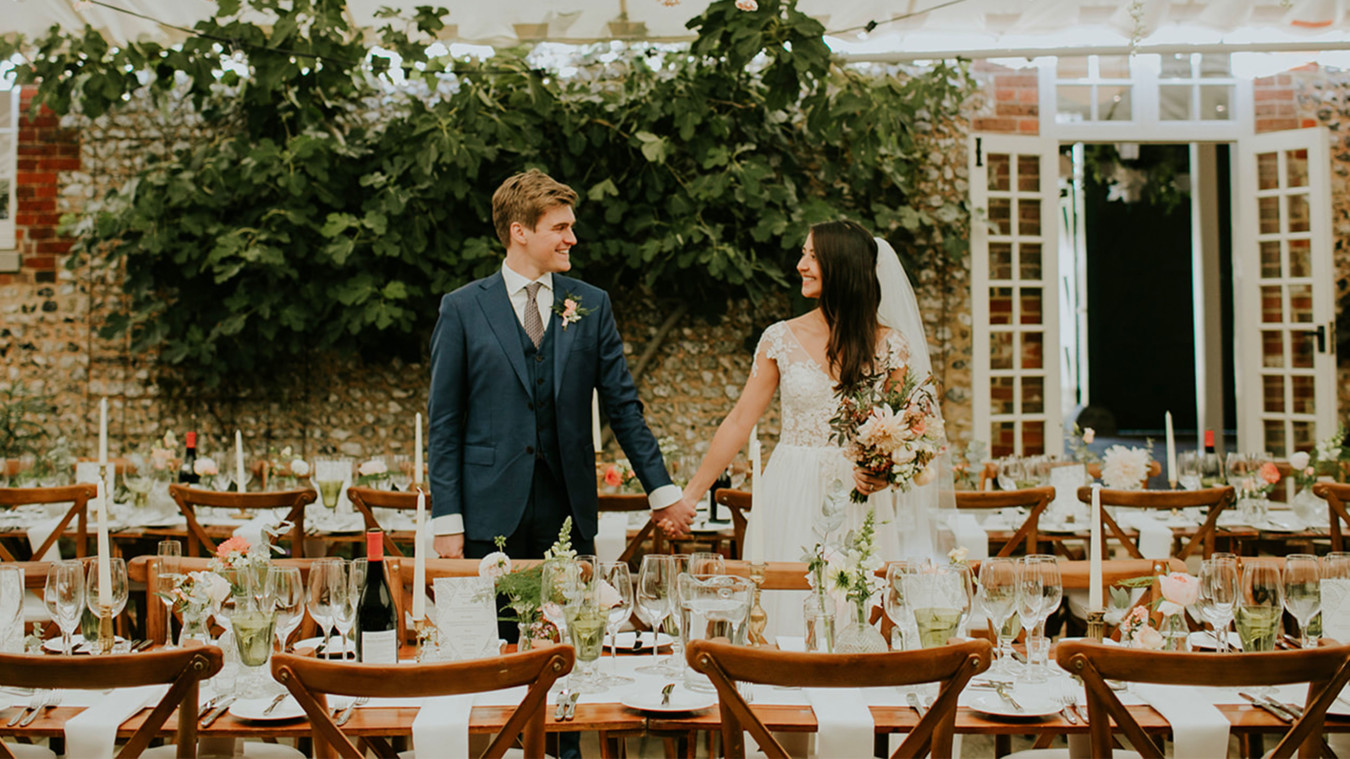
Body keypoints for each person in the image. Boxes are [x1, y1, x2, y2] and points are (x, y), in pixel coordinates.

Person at [680, 220, 953, 636]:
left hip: (859, 498)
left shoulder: (891, 345)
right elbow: (738, 421)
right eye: (804, 254)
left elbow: (907, 431)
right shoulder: (780, 338)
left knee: (856, 611)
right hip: (790, 489)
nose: (800, 265)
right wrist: (690, 497)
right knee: (783, 604)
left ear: (841, 265)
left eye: (811, 255)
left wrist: (881, 473)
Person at [428, 169, 696, 562]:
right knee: (496, 626)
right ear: (520, 232)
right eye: (560, 227)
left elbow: (623, 408)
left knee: (573, 624)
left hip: (569, 511)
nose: (571, 238)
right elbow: (445, 421)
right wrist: (448, 520)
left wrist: (662, 492)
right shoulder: (463, 308)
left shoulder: (593, 304)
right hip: (488, 513)